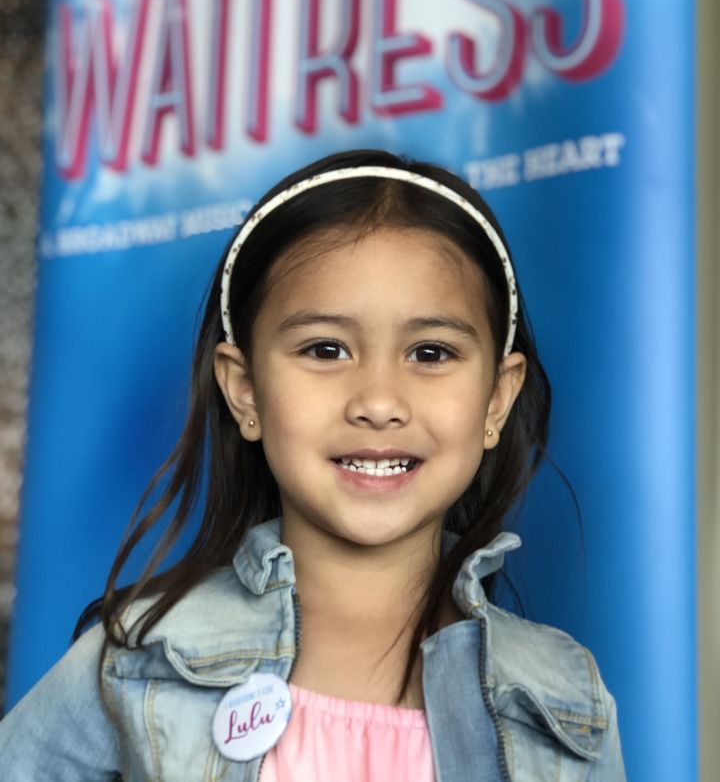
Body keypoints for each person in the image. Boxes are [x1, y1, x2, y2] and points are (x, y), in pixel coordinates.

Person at [0, 148, 625, 781]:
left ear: (496, 399)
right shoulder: (136, 660)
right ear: (245, 390)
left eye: (431, 352)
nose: (379, 402)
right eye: (326, 349)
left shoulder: (565, 702)